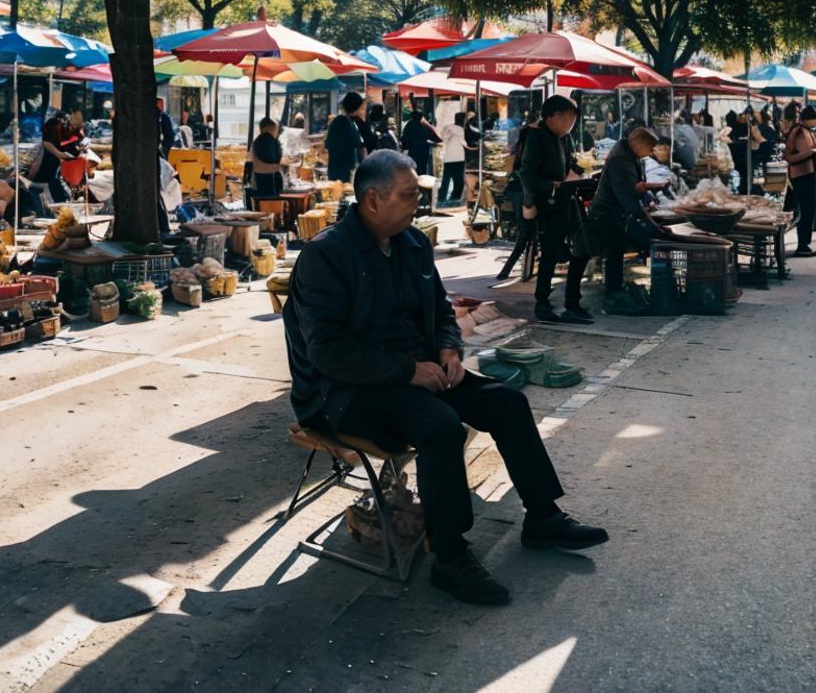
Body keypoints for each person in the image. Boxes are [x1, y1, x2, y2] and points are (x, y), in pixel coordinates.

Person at [284, 151, 608, 605]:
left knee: (506, 402)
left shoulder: (413, 243)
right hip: (344, 391)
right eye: (409, 194)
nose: (418, 202)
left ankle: (542, 516)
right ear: (373, 200)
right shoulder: (326, 255)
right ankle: (450, 556)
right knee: (439, 427)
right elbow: (328, 352)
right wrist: (407, 370)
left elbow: (440, 311)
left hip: (419, 370)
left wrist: (449, 349)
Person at [520, 95, 593, 325]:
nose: (572, 125)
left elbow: (568, 164)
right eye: (570, 120)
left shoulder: (564, 138)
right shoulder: (536, 137)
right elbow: (525, 175)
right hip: (548, 205)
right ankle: (542, 303)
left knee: (583, 246)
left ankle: (573, 302)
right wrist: (551, 186)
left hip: (568, 200)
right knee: (550, 255)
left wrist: (577, 171)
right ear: (555, 117)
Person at [588, 127, 667, 314]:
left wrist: (648, 199)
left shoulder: (629, 155)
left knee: (617, 253)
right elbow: (628, 198)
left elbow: (636, 187)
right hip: (607, 216)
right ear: (638, 143)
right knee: (615, 252)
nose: (650, 152)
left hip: (617, 215)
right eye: (650, 148)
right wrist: (653, 226)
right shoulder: (620, 161)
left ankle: (615, 291)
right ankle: (613, 297)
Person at [494, 110, 543, 283]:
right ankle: (507, 270)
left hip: (516, 192)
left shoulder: (519, 149)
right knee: (526, 233)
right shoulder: (531, 149)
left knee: (526, 233)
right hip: (523, 194)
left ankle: (512, 269)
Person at [783, 106, 816, 257]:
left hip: (810, 174)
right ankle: (802, 245)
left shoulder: (810, 131)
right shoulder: (798, 132)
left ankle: (804, 244)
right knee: (806, 211)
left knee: (809, 210)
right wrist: (810, 153)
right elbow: (788, 155)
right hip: (801, 175)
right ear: (808, 118)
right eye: (815, 119)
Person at [326, 91, 366, 183]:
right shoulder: (348, 123)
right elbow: (358, 145)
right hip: (344, 171)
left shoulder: (338, 121)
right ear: (357, 107)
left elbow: (327, 144)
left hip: (335, 169)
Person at [401, 108, 442, 184]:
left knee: (414, 170)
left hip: (414, 152)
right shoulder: (422, 126)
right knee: (421, 171)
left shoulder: (409, 125)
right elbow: (436, 138)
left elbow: (405, 138)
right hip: (422, 151)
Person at [250, 117, 284, 199]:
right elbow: (260, 167)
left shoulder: (266, 141)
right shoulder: (265, 140)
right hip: (264, 187)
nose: (276, 132)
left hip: (265, 186)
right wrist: (279, 167)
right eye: (274, 129)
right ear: (265, 128)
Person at [438, 112, 467, 206]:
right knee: (459, 181)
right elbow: (465, 144)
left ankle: (442, 199)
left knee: (446, 180)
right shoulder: (462, 130)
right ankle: (454, 198)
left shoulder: (448, 127)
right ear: (463, 120)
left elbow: (442, 138)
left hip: (449, 157)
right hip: (459, 158)